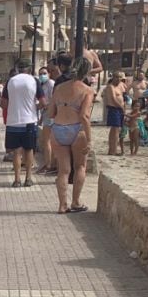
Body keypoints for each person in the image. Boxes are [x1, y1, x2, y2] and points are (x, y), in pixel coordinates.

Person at [48, 53, 94, 213]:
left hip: (59, 128)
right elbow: (84, 116)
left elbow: (50, 113)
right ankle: (75, 202)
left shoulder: (59, 88)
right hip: (76, 129)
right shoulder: (87, 90)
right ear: (86, 72)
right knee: (80, 166)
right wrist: (89, 139)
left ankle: (62, 205)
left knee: (63, 170)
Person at [3, 58, 44, 187]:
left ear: (17, 68)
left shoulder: (10, 81)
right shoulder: (34, 81)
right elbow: (43, 102)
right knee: (29, 150)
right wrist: (33, 108)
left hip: (13, 121)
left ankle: (16, 180)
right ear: (30, 68)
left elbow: (3, 103)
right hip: (29, 121)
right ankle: (28, 178)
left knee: (16, 152)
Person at [35, 62, 59, 174]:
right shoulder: (43, 85)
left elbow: (51, 101)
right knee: (49, 141)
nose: (42, 76)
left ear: (49, 73)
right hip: (46, 114)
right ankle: (51, 163)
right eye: (40, 74)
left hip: (50, 115)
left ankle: (48, 164)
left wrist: (40, 106)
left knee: (47, 141)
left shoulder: (51, 84)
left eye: (44, 73)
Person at [102, 71, 127, 156]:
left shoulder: (120, 86)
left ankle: (113, 149)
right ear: (113, 77)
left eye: (120, 77)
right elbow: (113, 98)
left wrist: (124, 107)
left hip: (120, 109)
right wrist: (121, 107)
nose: (118, 79)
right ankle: (112, 150)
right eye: (117, 77)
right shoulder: (110, 87)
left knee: (117, 130)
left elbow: (123, 97)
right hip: (114, 108)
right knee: (115, 129)